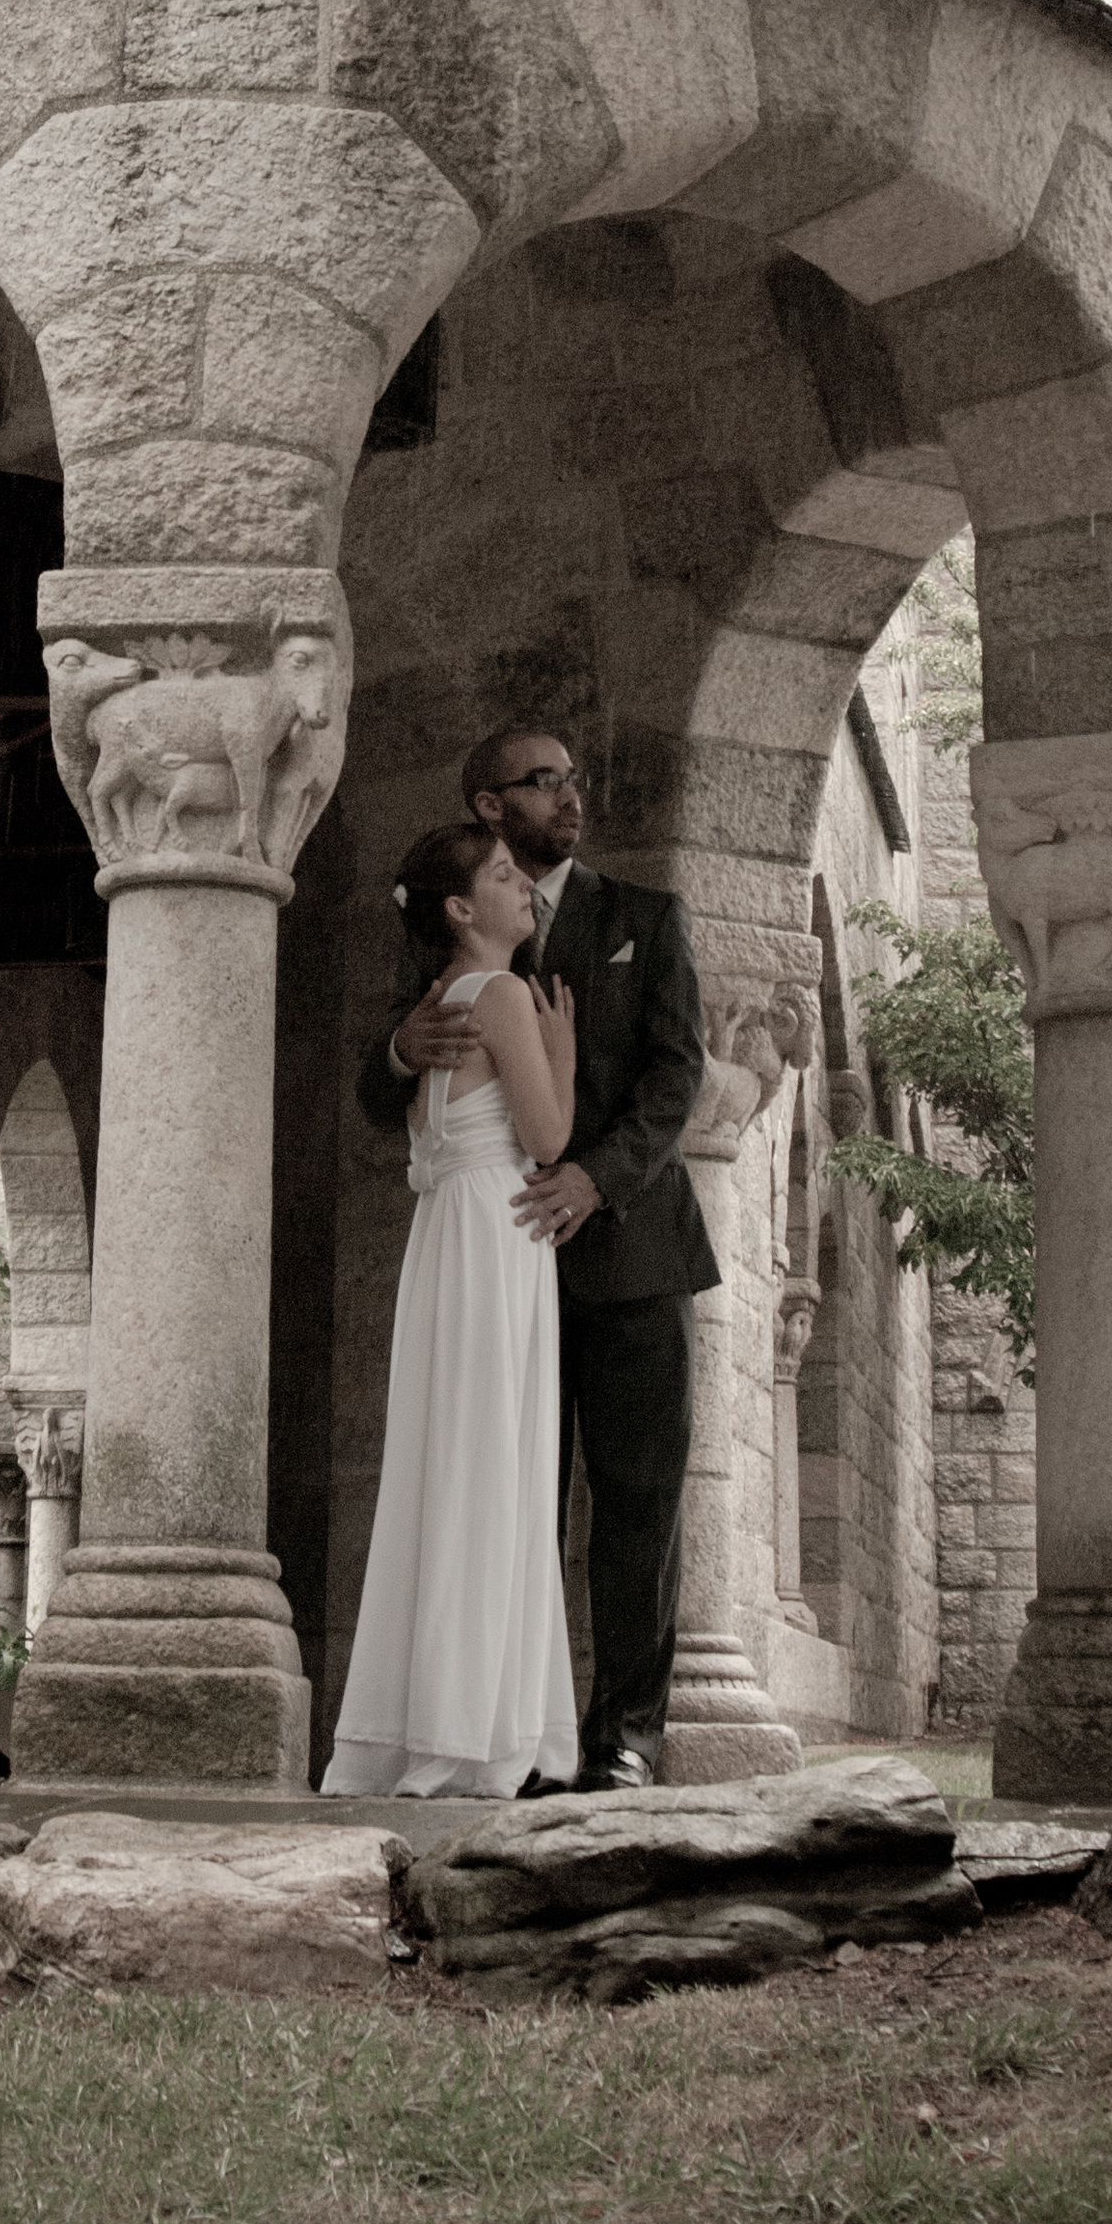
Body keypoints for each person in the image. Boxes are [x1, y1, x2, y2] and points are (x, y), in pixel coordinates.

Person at [356, 726, 714, 1792]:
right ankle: (516, 1727)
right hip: (502, 1261)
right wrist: (393, 1051)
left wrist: (594, 1177)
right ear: (487, 805)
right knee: (511, 1495)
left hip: (632, 1250)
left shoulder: (644, 919)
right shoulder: (454, 937)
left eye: (572, 777)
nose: (569, 793)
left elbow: (674, 1075)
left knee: (638, 1498)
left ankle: (625, 1738)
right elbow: (388, 1093)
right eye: (541, 780)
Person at [322, 823, 582, 1799]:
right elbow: (549, 1135)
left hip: (451, 1235)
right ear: (462, 910)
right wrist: (559, 1048)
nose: (528, 890)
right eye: (507, 878)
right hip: (496, 1228)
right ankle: (476, 1729)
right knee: (493, 1465)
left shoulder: (442, 1001)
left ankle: (437, 1718)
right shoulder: (504, 994)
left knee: (448, 1466)